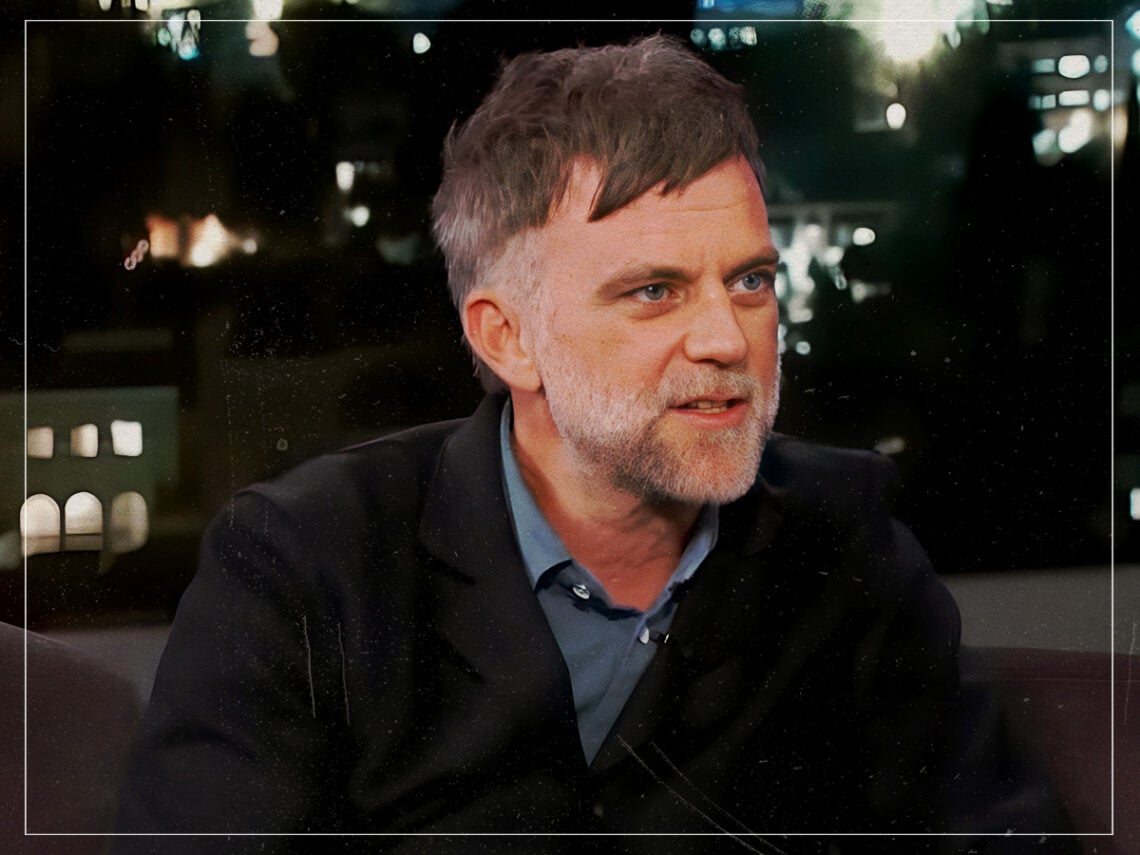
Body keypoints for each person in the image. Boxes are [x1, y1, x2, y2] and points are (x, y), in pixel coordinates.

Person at [116, 35, 1074, 853]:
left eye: (750, 281)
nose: (727, 338)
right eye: (655, 291)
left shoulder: (848, 549)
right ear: (508, 338)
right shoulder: (302, 568)